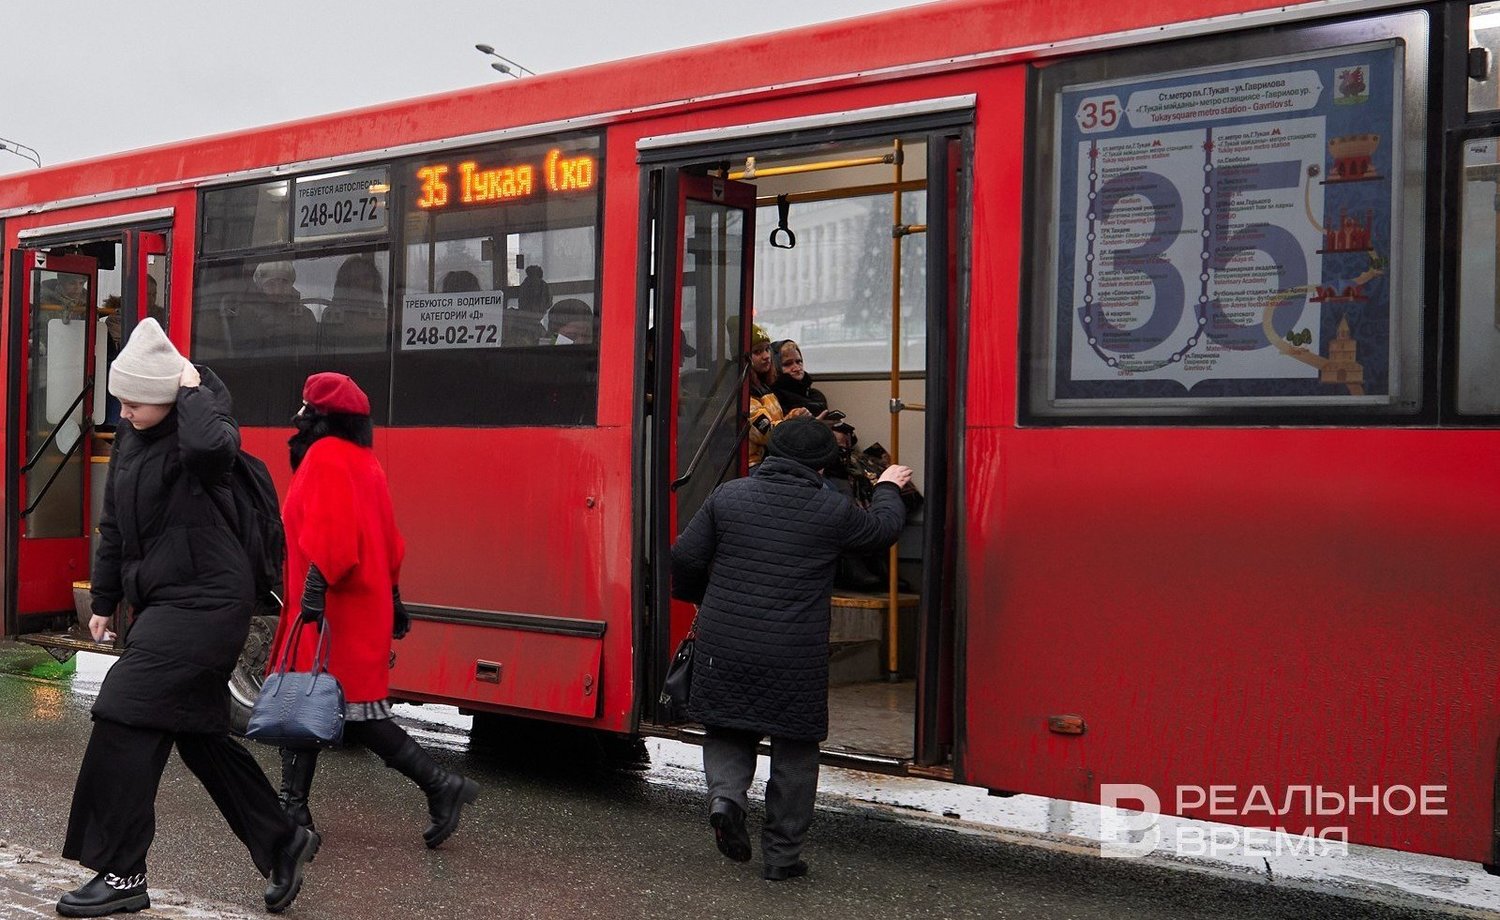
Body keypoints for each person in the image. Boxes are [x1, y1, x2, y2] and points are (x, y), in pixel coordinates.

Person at [60, 318, 317, 917]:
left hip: (208, 604)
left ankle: (122, 876)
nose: (122, 412)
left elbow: (210, 448)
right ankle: (282, 839)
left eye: (134, 400)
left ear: (168, 394)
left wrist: (192, 386)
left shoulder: (199, 432)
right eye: (118, 399)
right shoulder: (130, 438)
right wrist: (102, 601)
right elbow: (116, 524)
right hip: (162, 604)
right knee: (199, 735)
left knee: (123, 711)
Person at [670, 418, 912, 881]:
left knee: (727, 727)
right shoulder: (832, 507)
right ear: (822, 467)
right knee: (796, 749)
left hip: (726, 641)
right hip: (794, 653)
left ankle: (726, 799)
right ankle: (781, 857)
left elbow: (684, 556)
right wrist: (886, 486)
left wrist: (702, 596)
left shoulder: (729, 495)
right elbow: (882, 531)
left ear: (772, 454)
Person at [269, 372, 479, 850]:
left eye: (305, 408)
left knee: (319, 702)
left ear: (319, 417)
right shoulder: (366, 461)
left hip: (332, 607)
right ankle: (294, 807)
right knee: (337, 707)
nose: (298, 416)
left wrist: (314, 590)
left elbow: (336, 541)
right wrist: (396, 596)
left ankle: (437, 786)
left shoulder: (323, 457)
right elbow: (389, 541)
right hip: (362, 603)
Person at [747, 325, 811, 466]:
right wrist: (795, 420)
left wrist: (795, 415)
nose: (766, 356)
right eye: (757, 352)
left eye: (767, 349)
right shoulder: (746, 395)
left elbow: (779, 421)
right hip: (753, 464)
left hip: (770, 459)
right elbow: (767, 433)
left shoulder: (764, 388)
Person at [770, 340, 831, 418]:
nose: (796, 368)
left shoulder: (815, 395)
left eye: (799, 361)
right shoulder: (775, 397)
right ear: (775, 368)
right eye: (788, 364)